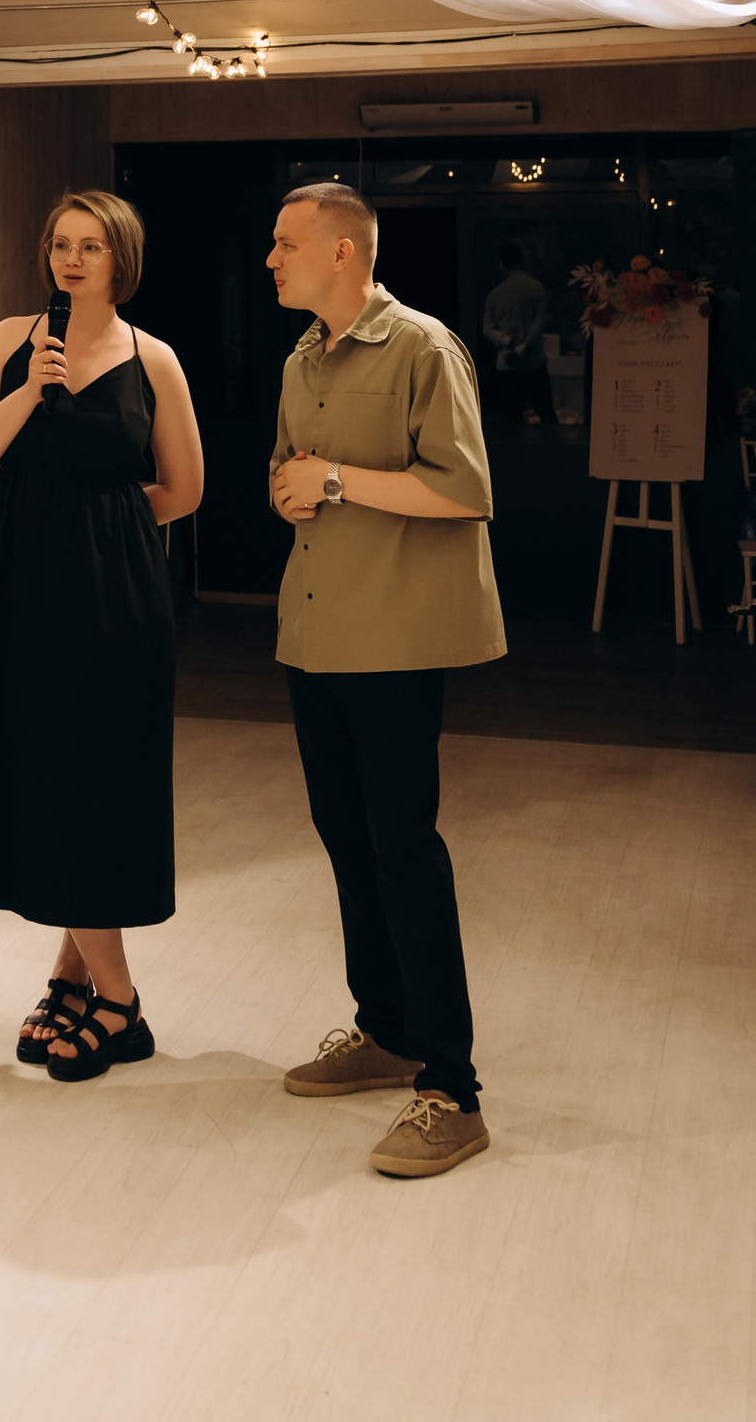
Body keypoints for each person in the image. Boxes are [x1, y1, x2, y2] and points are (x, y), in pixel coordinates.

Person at [266, 182, 506, 1180]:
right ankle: (388, 1030)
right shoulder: (301, 359)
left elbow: (465, 489)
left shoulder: (423, 348)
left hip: (395, 641)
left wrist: (332, 480)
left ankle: (452, 1088)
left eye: (286, 244)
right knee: (349, 844)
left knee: (404, 851)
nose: (271, 260)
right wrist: (292, 489)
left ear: (343, 252)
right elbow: (287, 471)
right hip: (315, 635)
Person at [0, 190, 205, 1081]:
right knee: (45, 774)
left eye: (91, 246)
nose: (72, 259)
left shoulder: (154, 358)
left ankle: (119, 1004)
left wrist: (105, 531)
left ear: (120, 258)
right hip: (23, 592)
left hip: (118, 602)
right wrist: (28, 391)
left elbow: (184, 489)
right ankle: (73, 975)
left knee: (96, 783)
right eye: (61, 243)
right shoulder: (12, 340)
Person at [482, 243, 557, 430]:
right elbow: (540, 322)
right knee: (547, 413)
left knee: (512, 419)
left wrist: (507, 341)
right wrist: (525, 344)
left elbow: (488, 329)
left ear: (502, 264)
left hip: (507, 363)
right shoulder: (536, 288)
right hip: (534, 361)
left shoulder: (495, 294)